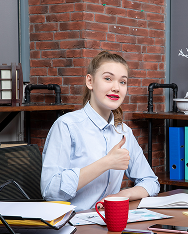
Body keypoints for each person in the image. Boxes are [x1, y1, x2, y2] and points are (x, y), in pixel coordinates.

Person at [41, 51, 160, 211]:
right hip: (72, 225)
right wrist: (107, 162)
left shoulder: (124, 133)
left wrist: (122, 195)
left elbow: (151, 182)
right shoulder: (67, 126)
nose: (116, 88)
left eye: (123, 82)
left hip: (108, 221)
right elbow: (50, 191)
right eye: (108, 79)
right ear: (90, 81)